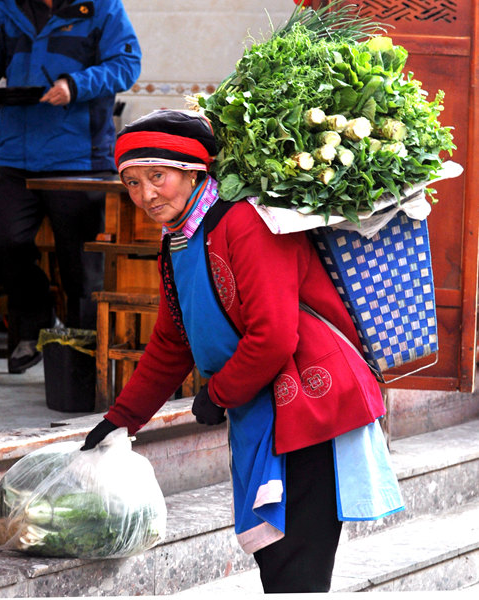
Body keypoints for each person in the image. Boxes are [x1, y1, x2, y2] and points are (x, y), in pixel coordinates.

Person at [81, 109, 404, 593]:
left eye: (157, 177)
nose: (145, 195)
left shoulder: (246, 222)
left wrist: (220, 393)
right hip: (261, 408)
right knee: (281, 562)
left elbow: (273, 335)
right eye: (131, 182)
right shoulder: (178, 241)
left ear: (194, 172)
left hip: (311, 406)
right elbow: (172, 342)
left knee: (295, 563)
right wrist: (122, 419)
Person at [0, 0, 141, 373]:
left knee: (79, 263)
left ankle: (82, 363)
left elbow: (126, 66)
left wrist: (75, 85)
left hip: (78, 159)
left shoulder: (101, 7)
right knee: (4, 242)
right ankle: (38, 323)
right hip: (18, 155)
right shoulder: (8, 5)